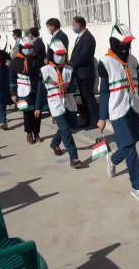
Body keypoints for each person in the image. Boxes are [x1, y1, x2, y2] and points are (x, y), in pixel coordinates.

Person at [97, 23, 139, 202]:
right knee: (130, 148)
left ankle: (112, 159)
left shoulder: (133, 60)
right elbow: (104, 92)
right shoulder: (106, 63)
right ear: (114, 42)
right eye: (123, 43)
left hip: (133, 108)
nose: (126, 46)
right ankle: (137, 187)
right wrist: (102, 117)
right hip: (117, 110)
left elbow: (138, 87)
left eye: (128, 42)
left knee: (130, 143)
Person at [36, 39, 82, 168]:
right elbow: (41, 90)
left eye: (63, 54)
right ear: (52, 54)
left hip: (69, 102)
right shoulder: (45, 70)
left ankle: (55, 143)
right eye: (58, 54)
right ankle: (74, 158)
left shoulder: (69, 69)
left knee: (70, 127)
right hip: (55, 103)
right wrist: (38, 107)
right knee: (66, 130)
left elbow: (74, 85)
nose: (61, 57)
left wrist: (69, 86)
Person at [9, 37, 43, 144]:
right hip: (22, 92)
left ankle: (36, 133)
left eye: (30, 47)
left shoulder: (37, 59)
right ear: (21, 48)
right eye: (25, 48)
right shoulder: (15, 61)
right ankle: (29, 133)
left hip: (36, 90)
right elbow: (12, 78)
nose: (28, 50)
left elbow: (44, 74)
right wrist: (13, 93)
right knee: (27, 113)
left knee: (38, 112)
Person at [70, 16, 98, 129]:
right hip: (80, 73)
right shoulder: (80, 37)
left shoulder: (88, 38)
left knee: (89, 98)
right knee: (84, 98)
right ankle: (87, 119)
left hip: (86, 73)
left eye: (73, 24)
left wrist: (72, 66)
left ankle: (94, 121)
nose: (73, 27)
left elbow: (83, 57)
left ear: (79, 24)